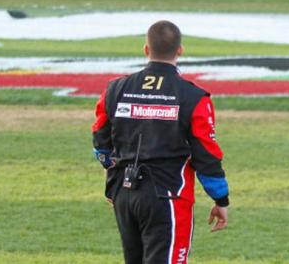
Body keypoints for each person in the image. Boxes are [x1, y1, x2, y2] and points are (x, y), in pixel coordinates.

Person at [92, 20, 230, 264]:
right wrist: (221, 199)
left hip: (124, 194)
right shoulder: (193, 97)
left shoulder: (115, 89)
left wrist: (114, 177)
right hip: (168, 197)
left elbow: (100, 140)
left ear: (146, 49)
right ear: (180, 50)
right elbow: (206, 154)